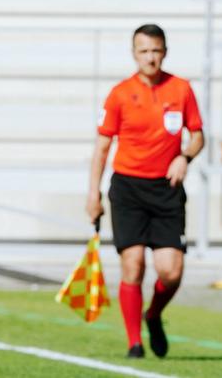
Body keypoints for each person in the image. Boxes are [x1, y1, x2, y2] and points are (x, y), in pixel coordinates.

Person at [85, 23, 204, 359]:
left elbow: (198, 135)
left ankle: (153, 314)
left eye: (156, 50)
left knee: (171, 271)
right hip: (128, 189)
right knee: (133, 265)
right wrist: (92, 193)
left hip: (167, 189)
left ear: (164, 51)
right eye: (144, 51)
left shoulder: (181, 89)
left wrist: (185, 156)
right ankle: (134, 342)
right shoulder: (120, 93)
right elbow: (102, 146)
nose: (150, 58)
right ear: (134, 53)